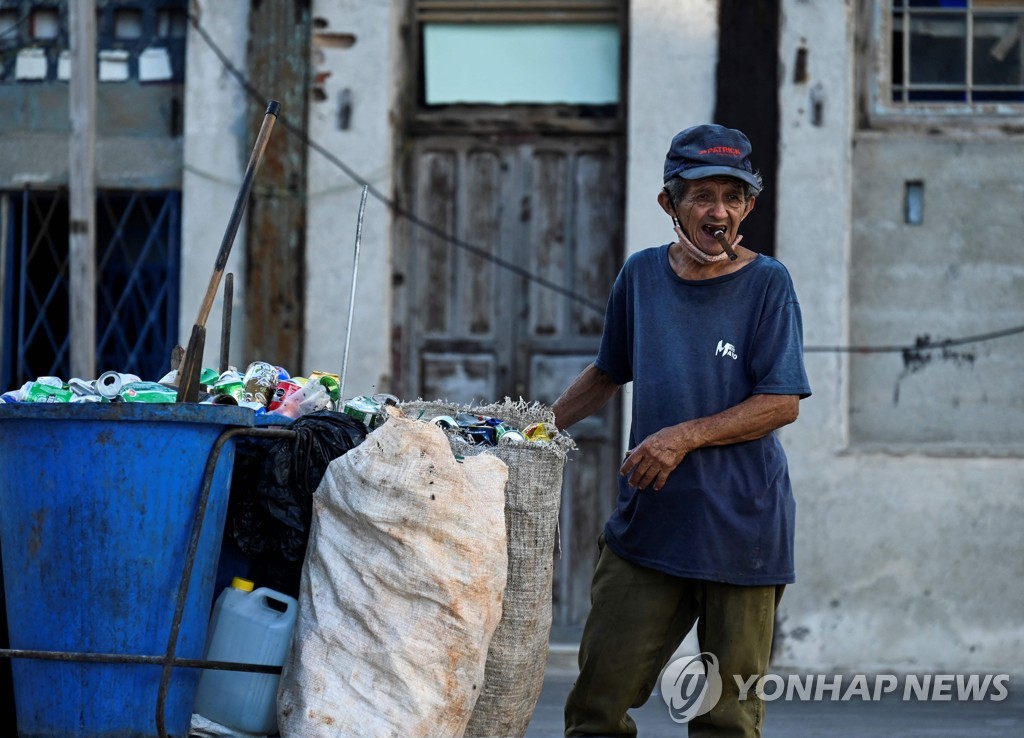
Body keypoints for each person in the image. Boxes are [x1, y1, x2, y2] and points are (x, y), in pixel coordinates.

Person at [554, 123, 812, 738]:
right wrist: (531, 430)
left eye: (733, 195)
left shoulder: (768, 284)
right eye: (701, 195)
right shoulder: (641, 276)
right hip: (650, 525)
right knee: (597, 704)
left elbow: (781, 402)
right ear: (670, 204)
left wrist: (681, 437)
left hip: (742, 529)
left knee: (727, 719)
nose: (718, 211)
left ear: (749, 205)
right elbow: (607, 372)